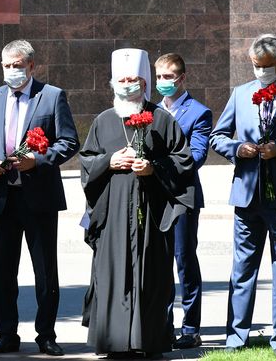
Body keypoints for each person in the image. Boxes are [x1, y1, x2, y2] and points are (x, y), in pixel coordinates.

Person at [80, 48, 195, 358]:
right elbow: (87, 161)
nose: (127, 84)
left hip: (149, 211)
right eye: (122, 79)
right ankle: (113, 340)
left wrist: (154, 167)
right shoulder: (103, 120)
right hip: (113, 212)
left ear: (144, 82)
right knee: (114, 273)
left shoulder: (162, 119)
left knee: (151, 274)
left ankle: (150, 339)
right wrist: (109, 161)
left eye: (133, 79)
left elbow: (183, 161)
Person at [0, 40, 80, 357]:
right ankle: (6, 334)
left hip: (39, 197)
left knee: (45, 271)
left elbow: (69, 141)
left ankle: (46, 334)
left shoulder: (52, 96)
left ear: (31, 66)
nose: (13, 71)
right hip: (3, 196)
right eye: (7, 66)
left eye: (18, 65)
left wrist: (39, 159)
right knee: (3, 270)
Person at [210, 34, 276, 356]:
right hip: (247, 196)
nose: (261, 71)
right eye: (255, 66)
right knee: (242, 270)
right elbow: (217, 136)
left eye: (266, 66)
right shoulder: (240, 95)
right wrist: (238, 148)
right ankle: (236, 338)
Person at [155, 53, 212, 349]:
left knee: (184, 260)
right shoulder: (149, 111)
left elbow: (197, 156)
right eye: (159, 77)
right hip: (154, 198)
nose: (163, 83)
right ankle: (163, 325)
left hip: (183, 197)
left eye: (169, 77)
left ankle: (190, 327)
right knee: (158, 262)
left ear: (182, 78)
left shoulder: (198, 113)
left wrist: (158, 165)